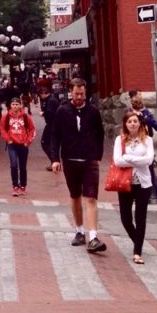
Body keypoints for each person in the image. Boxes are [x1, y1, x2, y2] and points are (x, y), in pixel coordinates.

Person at [49, 77, 107, 253]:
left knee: (91, 197)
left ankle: (93, 237)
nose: (79, 97)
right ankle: (79, 230)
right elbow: (55, 135)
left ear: (85, 92)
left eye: (82, 94)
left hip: (89, 160)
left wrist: (97, 155)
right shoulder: (62, 111)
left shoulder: (93, 112)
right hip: (70, 159)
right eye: (76, 94)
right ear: (71, 93)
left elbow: (100, 134)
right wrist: (55, 159)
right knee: (75, 196)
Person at [113, 109, 155, 265]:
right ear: (125, 124)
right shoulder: (120, 140)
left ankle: (137, 251)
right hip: (125, 183)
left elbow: (149, 160)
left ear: (139, 123)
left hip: (143, 184)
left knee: (140, 217)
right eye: (129, 121)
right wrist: (138, 159)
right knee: (125, 217)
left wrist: (128, 158)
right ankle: (138, 240)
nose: (132, 124)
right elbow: (118, 161)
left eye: (135, 121)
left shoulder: (148, 140)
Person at [128, 91, 157, 202]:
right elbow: (156, 125)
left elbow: (154, 125)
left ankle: (152, 193)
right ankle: (153, 194)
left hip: (139, 142)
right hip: (139, 142)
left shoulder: (137, 113)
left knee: (144, 168)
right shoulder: (141, 113)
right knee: (147, 169)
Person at [0, 97, 36, 196]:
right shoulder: (6, 117)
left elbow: (32, 129)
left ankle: (23, 186)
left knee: (23, 166)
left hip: (23, 144)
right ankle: (15, 186)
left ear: (20, 105)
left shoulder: (25, 116)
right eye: (13, 104)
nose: (15, 106)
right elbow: (2, 129)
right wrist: (8, 139)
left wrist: (28, 141)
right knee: (14, 165)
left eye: (17, 104)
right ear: (10, 105)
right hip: (12, 145)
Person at [38, 84, 60, 171]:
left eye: (40, 95)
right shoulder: (51, 99)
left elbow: (50, 113)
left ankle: (54, 161)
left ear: (43, 93)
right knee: (51, 143)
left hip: (52, 125)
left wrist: (43, 113)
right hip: (53, 124)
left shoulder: (50, 101)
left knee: (45, 143)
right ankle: (54, 161)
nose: (41, 97)